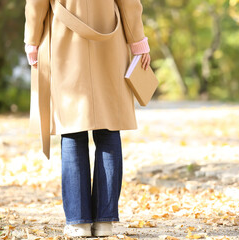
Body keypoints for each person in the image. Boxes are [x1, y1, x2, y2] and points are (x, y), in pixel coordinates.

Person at [24, 0, 151, 237]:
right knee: (108, 127)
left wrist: (32, 39)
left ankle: (78, 223)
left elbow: (36, 3)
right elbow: (129, 3)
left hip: (63, 42)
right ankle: (104, 222)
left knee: (72, 129)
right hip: (109, 40)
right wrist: (138, 41)